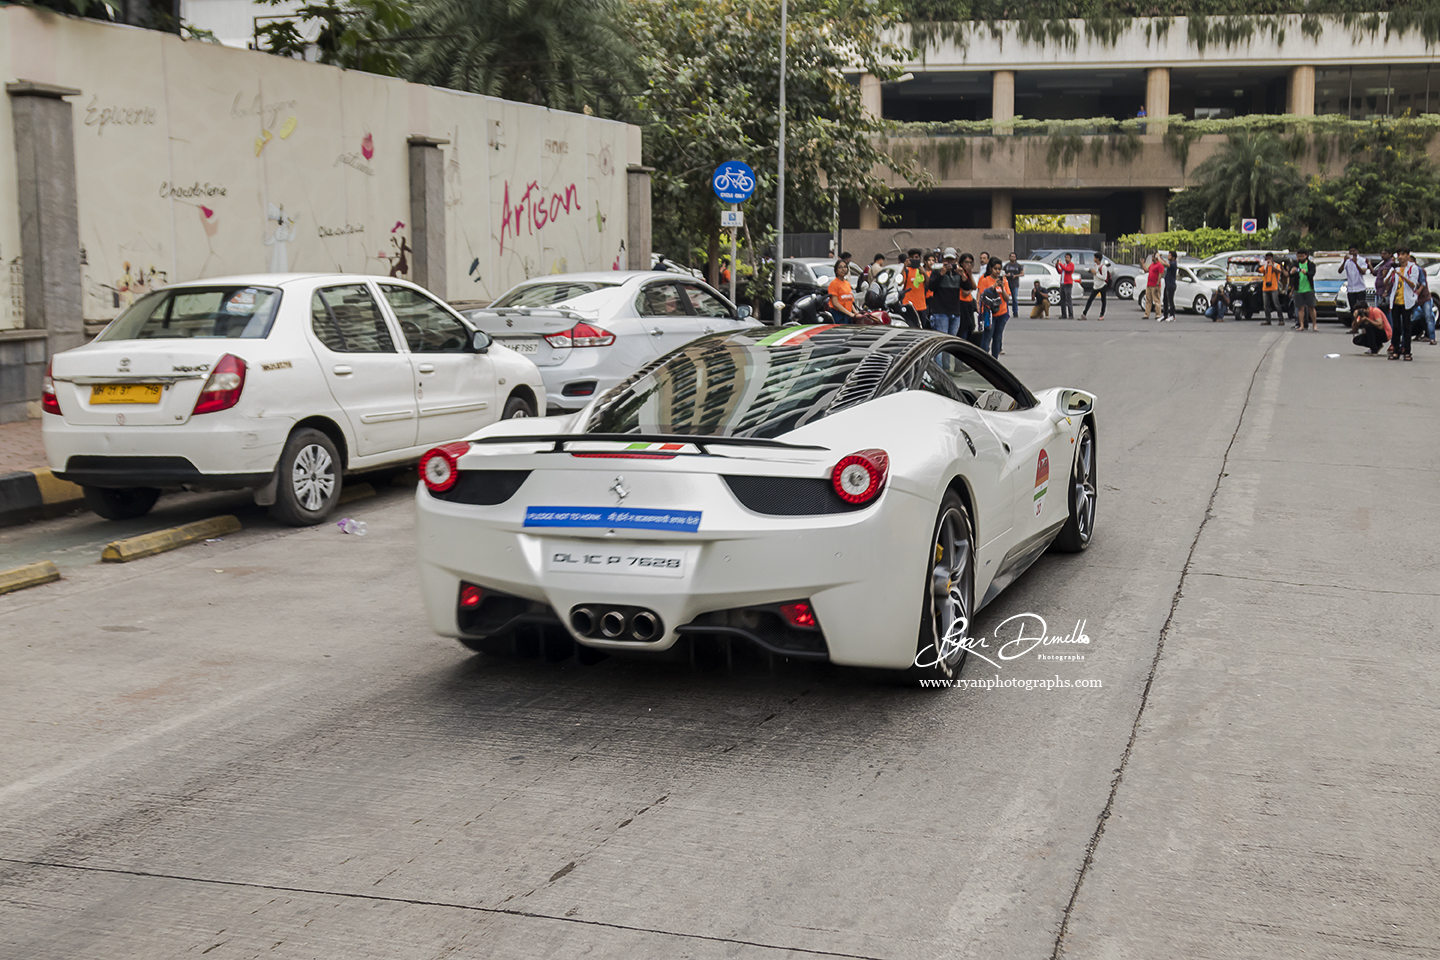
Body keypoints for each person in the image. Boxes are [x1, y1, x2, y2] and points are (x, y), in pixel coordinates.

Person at [1388, 245, 1420, 360]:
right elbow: (1388, 283)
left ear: (1407, 256)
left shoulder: (1413, 268)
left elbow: (1413, 285)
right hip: (1396, 300)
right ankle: (1396, 351)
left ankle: (1407, 351)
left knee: (1406, 327)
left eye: (1402, 255)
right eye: (1398, 255)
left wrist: (1403, 277)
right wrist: (1389, 274)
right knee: (1396, 327)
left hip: (1407, 302)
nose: (1400, 257)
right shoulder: (1395, 268)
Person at [926, 248, 965, 336]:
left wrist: (963, 275)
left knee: (952, 341)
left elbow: (967, 287)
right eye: (947, 260)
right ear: (943, 260)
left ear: (955, 260)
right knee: (942, 339)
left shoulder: (957, 272)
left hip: (955, 311)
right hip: (940, 312)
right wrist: (941, 274)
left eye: (951, 260)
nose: (949, 262)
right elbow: (931, 286)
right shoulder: (937, 271)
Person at [978, 259, 1011, 357]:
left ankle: (995, 360)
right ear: (990, 268)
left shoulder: (1004, 281)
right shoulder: (985, 280)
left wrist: (1002, 288)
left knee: (997, 337)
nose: (997, 271)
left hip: (1002, 313)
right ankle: (983, 359)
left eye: (999, 269)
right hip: (989, 314)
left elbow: (1007, 298)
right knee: (987, 337)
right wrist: (993, 287)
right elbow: (983, 296)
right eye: (995, 269)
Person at [900, 247, 929, 328]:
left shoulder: (922, 271)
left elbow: (929, 284)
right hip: (909, 305)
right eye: (912, 257)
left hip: (921, 305)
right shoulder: (906, 270)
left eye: (916, 257)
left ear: (919, 258)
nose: (914, 259)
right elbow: (901, 283)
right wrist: (904, 267)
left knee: (922, 328)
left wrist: (924, 273)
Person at [1341, 246, 1369, 321]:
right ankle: (1354, 325)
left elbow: (1363, 272)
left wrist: (1356, 263)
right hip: (1351, 289)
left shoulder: (1362, 260)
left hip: (1360, 288)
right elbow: (1340, 271)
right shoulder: (1347, 261)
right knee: (1353, 308)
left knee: (1362, 308)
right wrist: (1344, 261)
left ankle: (1363, 324)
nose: (1352, 253)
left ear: (1357, 251)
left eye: (1354, 251)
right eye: (1351, 251)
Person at [1292, 248, 1318, 330]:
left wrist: (1306, 272)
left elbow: (1312, 273)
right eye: (1299, 256)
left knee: (1311, 307)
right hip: (1298, 289)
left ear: (1306, 256)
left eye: (1302, 256)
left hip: (1308, 288)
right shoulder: (1295, 265)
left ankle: (1314, 325)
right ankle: (1301, 325)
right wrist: (1291, 272)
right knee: (1300, 308)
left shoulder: (1311, 265)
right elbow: (1290, 275)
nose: (1300, 258)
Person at [956, 253, 978, 340]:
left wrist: (970, 274)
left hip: (969, 304)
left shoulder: (968, 274)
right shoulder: (960, 273)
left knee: (971, 326)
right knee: (963, 329)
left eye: (970, 263)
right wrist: (970, 289)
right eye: (966, 262)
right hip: (961, 303)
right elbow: (965, 292)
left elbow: (974, 286)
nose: (968, 265)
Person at [1260, 252, 1286, 325]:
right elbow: (1259, 270)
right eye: (1267, 258)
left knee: (1276, 304)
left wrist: (1272, 266)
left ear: (1272, 259)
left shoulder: (1276, 265)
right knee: (1266, 305)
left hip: (1274, 287)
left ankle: (1281, 320)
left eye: (1269, 258)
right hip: (1265, 288)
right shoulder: (1265, 266)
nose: (1268, 260)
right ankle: (1268, 320)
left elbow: (1280, 271)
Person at [1004, 253, 1025, 322]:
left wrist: (1015, 275)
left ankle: (1015, 312)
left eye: (1014, 256)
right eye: (1011, 256)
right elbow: (1003, 273)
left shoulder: (1018, 265)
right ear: (1009, 257)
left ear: (1016, 258)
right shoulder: (1007, 265)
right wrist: (1007, 275)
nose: (1012, 258)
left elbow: (1022, 273)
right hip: (1007, 284)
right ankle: (1006, 312)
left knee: (1014, 299)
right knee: (1006, 299)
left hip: (1015, 284)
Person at [1143, 252, 1164, 320]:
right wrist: (1143, 263)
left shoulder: (1160, 265)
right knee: (1148, 300)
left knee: (1156, 300)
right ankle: (1147, 314)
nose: (1152, 258)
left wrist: (1157, 284)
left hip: (1155, 285)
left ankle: (1158, 314)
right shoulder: (1152, 265)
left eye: (1153, 257)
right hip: (1149, 284)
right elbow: (1146, 270)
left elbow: (1160, 275)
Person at [1056, 253, 1077, 319]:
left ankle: (1071, 314)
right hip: (1062, 283)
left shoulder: (1071, 265)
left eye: (1067, 257)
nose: (1066, 259)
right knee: (1063, 300)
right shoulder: (1064, 265)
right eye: (1065, 257)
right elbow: (1060, 271)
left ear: (1070, 258)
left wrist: (1060, 264)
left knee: (1068, 299)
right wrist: (1057, 265)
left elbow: (1067, 270)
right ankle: (1063, 314)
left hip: (1068, 283)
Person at [1161, 250, 1178, 321]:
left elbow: (1165, 264)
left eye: (1170, 255)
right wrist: (1160, 258)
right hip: (1167, 284)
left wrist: (1159, 258)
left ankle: (1172, 315)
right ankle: (1165, 315)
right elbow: (1165, 262)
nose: (1168, 257)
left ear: (1173, 257)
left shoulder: (1174, 263)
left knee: (1170, 300)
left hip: (1171, 284)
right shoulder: (1170, 262)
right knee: (1165, 300)